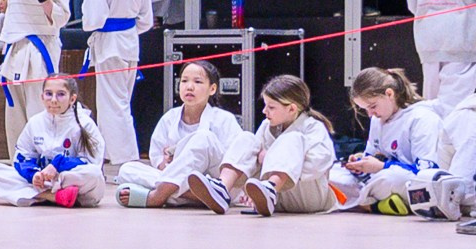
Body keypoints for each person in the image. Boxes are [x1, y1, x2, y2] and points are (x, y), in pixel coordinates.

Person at [191, 74, 336, 216]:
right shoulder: (267, 125)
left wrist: (274, 159)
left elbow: (320, 163)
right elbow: (252, 158)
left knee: (291, 138)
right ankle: (222, 187)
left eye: (271, 107)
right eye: (265, 105)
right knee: (247, 138)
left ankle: (271, 187)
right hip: (279, 201)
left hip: (308, 199)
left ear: (291, 109)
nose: (264, 111)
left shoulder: (313, 127)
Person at [116, 61, 243, 208]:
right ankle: (200, 197)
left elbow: (231, 161)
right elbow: (159, 163)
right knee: (127, 169)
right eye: (184, 81)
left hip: (215, 179)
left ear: (212, 89)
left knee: (204, 137)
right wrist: (166, 162)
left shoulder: (224, 119)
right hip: (178, 180)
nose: (189, 86)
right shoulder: (169, 118)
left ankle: (158, 196)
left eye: (198, 81)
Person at [80, 0, 155, 166]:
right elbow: (146, 20)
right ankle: (109, 154)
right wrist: (127, 29)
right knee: (117, 101)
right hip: (130, 44)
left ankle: (126, 159)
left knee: (114, 104)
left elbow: (93, 20)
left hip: (110, 46)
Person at [0, 0, 70, 155]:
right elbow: (12, 18)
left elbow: (62, 18)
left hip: (40, 52)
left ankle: (43, 169)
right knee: (14, 119)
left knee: (38, 116)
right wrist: (2, 55)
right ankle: (19, 168)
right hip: (14, 50)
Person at [0, 74, 106, 207]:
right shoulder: (35, 122)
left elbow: (91, 162)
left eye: (61, 94)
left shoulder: (85, 124)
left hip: (70, 181)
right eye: (49, 94)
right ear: (42, 97)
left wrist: (56, 166)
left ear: (72, 99)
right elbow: (22, 156)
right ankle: (53, 196)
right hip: (42, 183)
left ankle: (41, 194)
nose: (54, 100)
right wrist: (33, 174)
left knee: (94, 174)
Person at [331, 68, 443, 214]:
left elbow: (427, 171)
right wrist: (360, 163)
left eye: (372, 106)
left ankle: (369, 205)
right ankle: (376, 202)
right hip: (379, 179)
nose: (370, 114)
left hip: (409, 180)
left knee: (392, 178)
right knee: (332, 174)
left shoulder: (422, 117)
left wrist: (382, 166)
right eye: (365, 109)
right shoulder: (377, 119)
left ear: (389, 94)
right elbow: (372, 155)